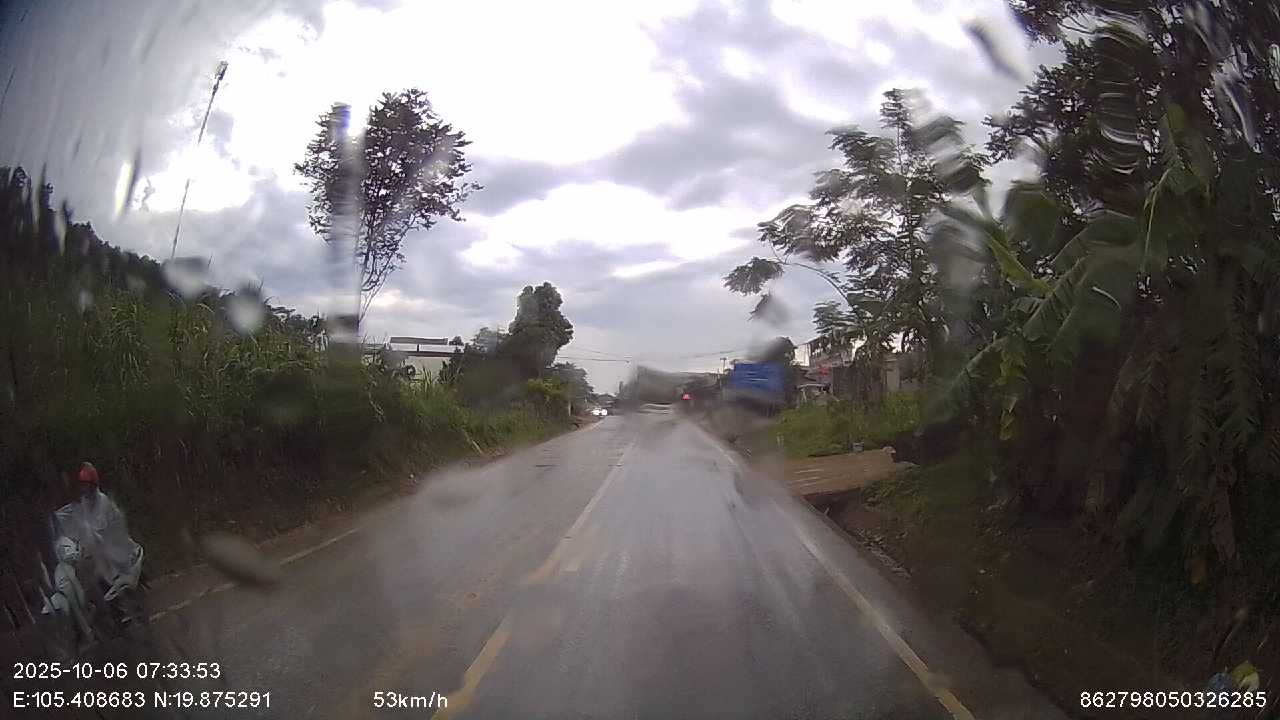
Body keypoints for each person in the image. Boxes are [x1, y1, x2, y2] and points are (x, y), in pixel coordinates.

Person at [54, 463, 143, 603]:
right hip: (93, 550)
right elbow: (77, 519)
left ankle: (118, 585)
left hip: (112, 546)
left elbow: (112, 524)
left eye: (86, 484)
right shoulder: (83, 502)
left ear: (93, 484)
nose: (84, 488)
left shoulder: (103, 501)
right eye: (82, 485)